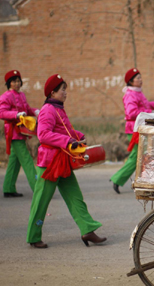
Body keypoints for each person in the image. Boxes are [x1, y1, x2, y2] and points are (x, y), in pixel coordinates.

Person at [26, 74, 106, 249]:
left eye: (65, 89)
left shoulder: (58, 109)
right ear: (52, 92)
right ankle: (33, 236)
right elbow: (43, 134)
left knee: (75, 196)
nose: (65, 93)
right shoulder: (48, 109)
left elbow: (65, 131)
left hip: (62, 161)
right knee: (41, 201)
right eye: (63, 89)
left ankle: (87, 229)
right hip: (49, 163)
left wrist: (78, 136)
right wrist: (68, 141)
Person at [110, 68, 154, 194]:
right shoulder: (129, 94)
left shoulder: (138, 92)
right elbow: (131, 113)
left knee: (139, 156)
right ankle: (118, 179)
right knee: (138, 156)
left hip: (140, 128)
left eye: (140, 77)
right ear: (131, 82)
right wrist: (150, 112)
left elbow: (144, 105)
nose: (140, 80)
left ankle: (125, 179)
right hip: (134, 130)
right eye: (137, 78)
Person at [0, 70, 38, 198]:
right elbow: (1, 113)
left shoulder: (22, 95)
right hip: (13, 132)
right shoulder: (5, 96)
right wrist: (15, 114)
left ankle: (8, 187)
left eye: (18, 81)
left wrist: (35, 111)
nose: (17, 83)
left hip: (22, 131)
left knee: (14, 161)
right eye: (14, 81)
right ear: (9, 83)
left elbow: (26, 110)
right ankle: (38, 188)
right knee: (27, 160)